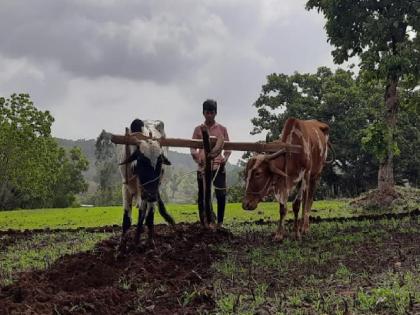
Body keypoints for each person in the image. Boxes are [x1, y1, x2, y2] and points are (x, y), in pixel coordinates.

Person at [191, 99, 231, 226]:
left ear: (215, 113)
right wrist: (198, 158)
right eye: (207, 112)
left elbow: (228, 149)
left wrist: (225, 159)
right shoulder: (198, 129)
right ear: (203, 113)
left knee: (221, 194)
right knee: (202, 196)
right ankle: (204, 222)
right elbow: (192, 147)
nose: (209, 115)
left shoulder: (222, 129)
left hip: (218, 166)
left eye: (212, 112)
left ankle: (220, 222)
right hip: (202, 168)